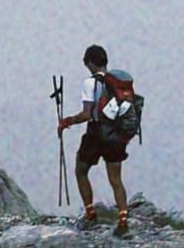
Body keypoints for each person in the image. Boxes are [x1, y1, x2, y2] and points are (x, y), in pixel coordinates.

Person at [58, 45, 144, 233]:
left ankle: (90, 213)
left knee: (81, 170)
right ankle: (123, 219)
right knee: (115, 179)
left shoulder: (91, 83)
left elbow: (87, 114)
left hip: (96, 133)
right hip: (117, 134)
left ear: (90, 62)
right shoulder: (119, 82)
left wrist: (68, 121)